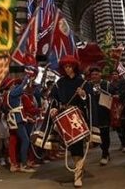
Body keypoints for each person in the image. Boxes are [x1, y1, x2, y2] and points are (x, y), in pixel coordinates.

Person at [50, 55, 92, 188]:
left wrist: (83, 95)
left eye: (70, 66)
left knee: (78, 144)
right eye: (65, 66)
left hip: (77, 116)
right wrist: (54, 108)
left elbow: (90, 99)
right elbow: (53, 100)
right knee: (71, 145)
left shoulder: (82, 82)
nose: (67, 69)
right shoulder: (59, 83)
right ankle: (79, 167)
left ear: (74, 66)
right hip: (64, 117)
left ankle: (78, 174)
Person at [5, 76, 34, 173]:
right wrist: (26, 77)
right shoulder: (12, 93)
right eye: (14, 85)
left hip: (17, 119)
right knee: (25, 140)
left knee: (15, 141)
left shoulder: (11, 94)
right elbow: (22, 87)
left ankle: (16, 163)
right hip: (17, 120)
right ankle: (23, 164)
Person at [88, 67, 112, 166]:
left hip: (105, 112)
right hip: (93, 113)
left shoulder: (106, 84)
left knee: (105, 134)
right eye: (92, 75)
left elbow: (113, 95)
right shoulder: (88, 85)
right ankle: (105, 152)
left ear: (100, 74)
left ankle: (105, 153)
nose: (94, 76)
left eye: (96, 74)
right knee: (98, 134)